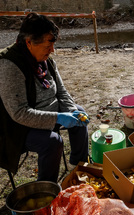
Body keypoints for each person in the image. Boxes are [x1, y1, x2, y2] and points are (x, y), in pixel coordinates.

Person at [0, 12, 90, 182]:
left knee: (79, 113)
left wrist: (71, 112)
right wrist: (58, 118)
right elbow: (19, 113)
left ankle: (78, 169)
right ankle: (46, 190)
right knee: (52, 142)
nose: (53, 50)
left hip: (50, 114)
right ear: (29, 42)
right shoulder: (9, 65)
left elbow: (61, 91)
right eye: (48, 45)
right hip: (19, 127)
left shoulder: (45, 61)